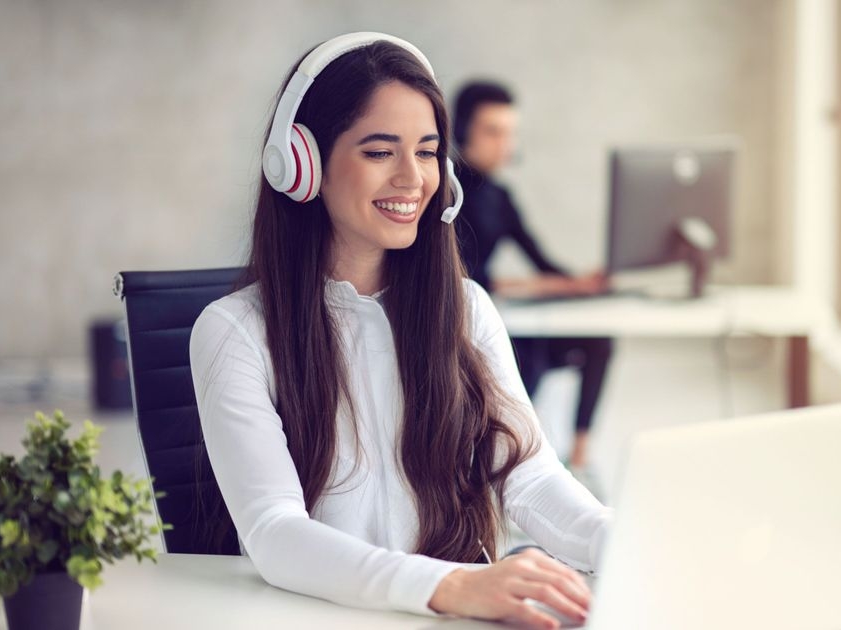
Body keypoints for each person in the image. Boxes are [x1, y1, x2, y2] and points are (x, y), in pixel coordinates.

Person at [188, 33, 611, 629]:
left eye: (428, 151)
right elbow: (275, 532)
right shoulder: (234, 332)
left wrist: (621, 541)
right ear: (302, 166)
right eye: (380, 152)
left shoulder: (465, 309)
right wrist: (451, 585)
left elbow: (529, 476)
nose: (413, 179)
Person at [452, 81, 614, 470]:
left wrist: (578, 284)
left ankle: (578, 460)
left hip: (504, 313)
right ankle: (510, 464)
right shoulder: (448, 192)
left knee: (598, 340)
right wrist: (548, 286)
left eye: (510, 133)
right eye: (493, 132)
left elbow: (541, 261)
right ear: (461, 132)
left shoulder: (500, 197)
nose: (504, 145)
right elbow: (466, 277)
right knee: (529, 355)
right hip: (466, 322)